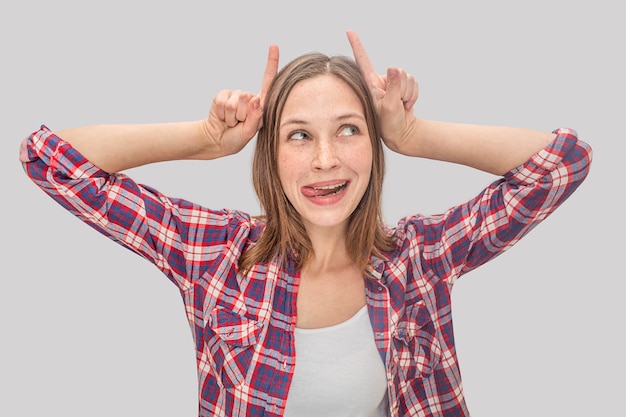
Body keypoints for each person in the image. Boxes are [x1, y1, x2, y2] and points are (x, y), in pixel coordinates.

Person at [20, 30, 592, 417]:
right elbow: (48, 158)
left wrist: (416, 135)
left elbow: (563, 164)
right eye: (299, 135)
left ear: (375, 144)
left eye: (348, 129)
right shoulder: (215, 252)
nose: (326, 160)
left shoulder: (419, 258)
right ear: (271, 153)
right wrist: (205, 137)